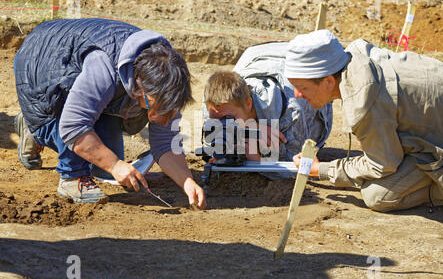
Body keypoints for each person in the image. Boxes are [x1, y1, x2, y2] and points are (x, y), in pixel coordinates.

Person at [13, 18, 206, 209]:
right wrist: (114, 165)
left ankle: (39, 129)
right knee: (87, 145)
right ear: (139, 85)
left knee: (104, 164)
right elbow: (74, 126)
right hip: (39, 67)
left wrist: (187, 182)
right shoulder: (103, 67)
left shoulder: (170, 80)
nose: (155, 117)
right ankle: (70, 173)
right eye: (151, 105)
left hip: (84, 72)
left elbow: (165, 142)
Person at [286, 29, 443, 212]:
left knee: (377, 195)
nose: (297, 95)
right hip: (439, 125)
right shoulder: (358, 60)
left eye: (301, 87)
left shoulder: (365, 101)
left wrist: (320, 170)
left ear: (329, 82)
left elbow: (382, 166)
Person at [202, 42, 333, 179]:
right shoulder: (214, 108)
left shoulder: (291, 113)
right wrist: (250, 129)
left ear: (248, 104)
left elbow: (299, 169)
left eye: (230, 118)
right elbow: (213, 150)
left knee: (275, 148)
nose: (223, 124)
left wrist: (257, 162)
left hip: (305, 68)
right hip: (258, 55)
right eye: (217, 120)